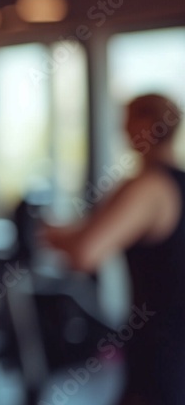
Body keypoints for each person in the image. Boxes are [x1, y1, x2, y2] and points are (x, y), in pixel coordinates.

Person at [45, 94, 184, 405]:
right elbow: (97, 229)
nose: (122, 129)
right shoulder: (172, 183)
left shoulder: (148, 187)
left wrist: (49, 237)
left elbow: (85, 252)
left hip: (162, 344)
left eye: (128, 119)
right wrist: (55, 231)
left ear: (149, 124)